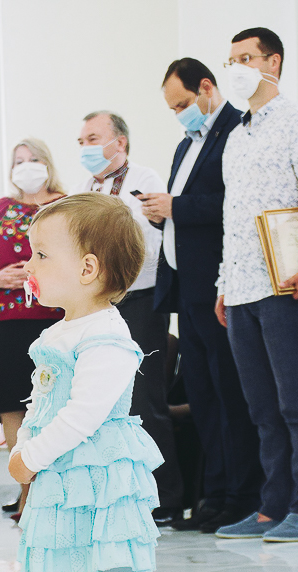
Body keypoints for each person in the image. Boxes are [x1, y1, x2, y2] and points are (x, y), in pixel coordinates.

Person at [9, 193, 164, 572]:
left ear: (88, 269)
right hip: (66, 478)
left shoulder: (107, 335)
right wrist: (24, 445)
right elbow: (41, 402)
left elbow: (84, 414)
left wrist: (30, 457)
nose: (29, 264)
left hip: (102, 475)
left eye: (41, 254)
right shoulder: (56, 333)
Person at [214, 27, 298, 543]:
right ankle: (272, 508)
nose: (237, 68)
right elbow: (233, 217)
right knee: (263, 410)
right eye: (231, 61)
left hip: (287, 285)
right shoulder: (235, 137)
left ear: (274, 63)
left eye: (246, 58)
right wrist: (223, 283)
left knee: (297, 405)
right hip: (242, 289)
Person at [141, 58, 263, 533]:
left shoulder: (236, 132)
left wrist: (177, 207)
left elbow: (234, 204)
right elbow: (184, 211)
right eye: (173, 108)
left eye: (183, 104)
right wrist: (161, 214)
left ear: (207, 87)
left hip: (218, 285)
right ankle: (212, 496)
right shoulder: (184, 145)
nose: (179, 114)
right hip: (185, 289)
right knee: (204, 397)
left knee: (229, 394)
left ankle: (241, 496)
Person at [75, 111, 184, 526]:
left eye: (93, 138)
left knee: (145, 399)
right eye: (81, 140)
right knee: (101, 403)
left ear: (119, 142)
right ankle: (115, 497)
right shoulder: (85, 188)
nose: (85, 147)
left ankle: (166, 498)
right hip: (98, 304)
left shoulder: (144, 179)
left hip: (140, 299)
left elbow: (153, 242)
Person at [0, 138, 65, 516]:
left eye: (34, 159)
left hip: (52, 319)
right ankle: (26, 492)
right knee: (12, 407)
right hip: (5, 322)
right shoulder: (1, 208)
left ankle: (53, 490)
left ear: (48, 163)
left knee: (52, 404)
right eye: (18, 161)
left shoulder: (65, 204)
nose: (26, 166)